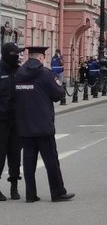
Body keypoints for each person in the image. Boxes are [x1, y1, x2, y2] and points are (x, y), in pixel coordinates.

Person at [14, 46, 75, 203]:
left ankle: (30, 195)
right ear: (41, 58)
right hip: (43, 125)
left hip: (25, 125)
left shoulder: (19, 73)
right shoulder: (45, 73)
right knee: (51, 161)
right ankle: (57, 192)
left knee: (28, 161)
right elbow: (58, 94)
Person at [0, 42, 24, 201]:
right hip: (1, 121)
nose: (18, 56)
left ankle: (14, 186)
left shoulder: (20, 71)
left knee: (15, 154)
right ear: (8, 54)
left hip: (17, 120)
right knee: (0, 155)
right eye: (15, 54)